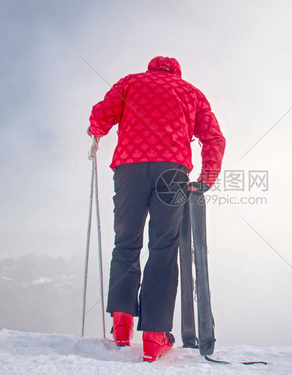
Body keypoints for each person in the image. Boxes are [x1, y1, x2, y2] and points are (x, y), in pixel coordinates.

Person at [87, 56, 225, 362]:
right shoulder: (191, 92)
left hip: (128, 169)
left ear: (151, 69)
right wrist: (205, 179)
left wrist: (95, 131)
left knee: (125, 243)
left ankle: (122, 324)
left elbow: (101, 114)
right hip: (172, 171)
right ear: (176, 72)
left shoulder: (129, 83)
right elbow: (213, 138)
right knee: (163, 248)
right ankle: (154, 336)